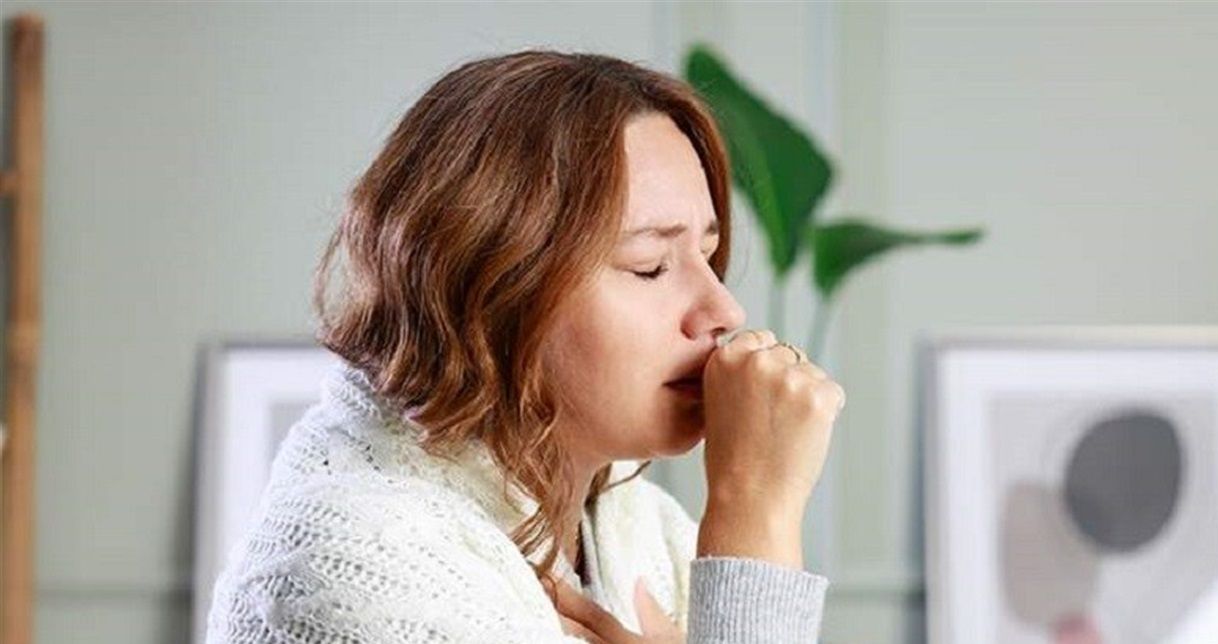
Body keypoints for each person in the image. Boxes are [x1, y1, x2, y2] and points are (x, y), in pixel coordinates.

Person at [205, 50, 845, 644]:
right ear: (492, 289)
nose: (725, 311)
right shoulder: (351, 567)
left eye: (707, 255)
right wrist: (754, 509)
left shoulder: (635, 523)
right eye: (649, 266)